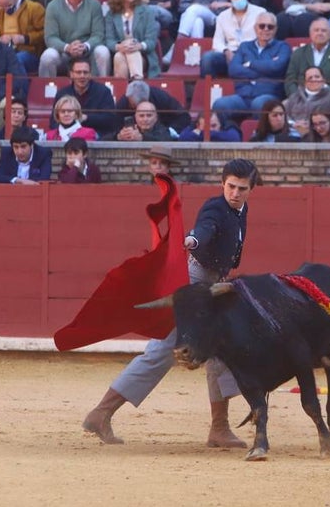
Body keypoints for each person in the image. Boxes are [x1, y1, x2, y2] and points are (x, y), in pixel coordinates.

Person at [82, 158, 261, 448]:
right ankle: (101, 413)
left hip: (212, 285)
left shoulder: (242, 210)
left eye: (242, 188)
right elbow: (204, 229)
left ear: (251, 190)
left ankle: (219, 428)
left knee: (220, 351)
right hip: (194, 285)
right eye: (230, 186)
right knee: (165, 349)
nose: (235, 193)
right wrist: (192, 240)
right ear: (222, 184)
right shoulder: (216, 207)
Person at [39, 0, 109, 78]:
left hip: (87, 52)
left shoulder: (94, 5)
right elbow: (50, 38)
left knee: (102, 52)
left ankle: (101, 88)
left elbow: (98, 35)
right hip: (64, 52)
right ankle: (46, 91)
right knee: (48, 56)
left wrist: (85, 46)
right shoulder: (53, 6)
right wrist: (67, 48)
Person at [200, 0, 264, 78]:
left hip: (252, 54)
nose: (238, 0)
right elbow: (217, 42)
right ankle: (210, 90)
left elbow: (264, 39)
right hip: (230, 53)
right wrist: (226, 51)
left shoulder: (260, 13)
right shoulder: (222, 16)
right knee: (207, 58)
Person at [104, 0, 160, 80]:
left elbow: (151, 41)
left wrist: (139, 46)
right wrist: (120, 47)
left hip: (144, 56)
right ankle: (134, 85)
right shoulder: (111, 14)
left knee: (132, 51)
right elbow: (109, 41)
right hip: (121, 53)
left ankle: (135, 83)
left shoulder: (146, 11)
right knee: (119, 56)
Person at [0, 0, 45, 74]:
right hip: (4, 50)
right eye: (1, 6)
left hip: (29, 52)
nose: (5, 9)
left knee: (15, 60)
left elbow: (45, 33)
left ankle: (21, 87)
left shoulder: (34, 8)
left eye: (8, 5)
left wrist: (24, 39)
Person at [60, 57, 117, 137]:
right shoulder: (62, 93)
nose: (82, 76)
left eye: (85, 72)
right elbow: (54, 121)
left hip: (97, 137)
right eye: (78, 72)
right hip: (68, 136)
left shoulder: (104, 91)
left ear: (90, 74)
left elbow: (110, 119)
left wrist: (86, 118)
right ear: (71, 74)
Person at [283, 66, 330, 135]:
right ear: (305, 83)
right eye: (310, 78)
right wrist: (294, 124)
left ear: (323, 79)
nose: (314, 79)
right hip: (292, 133)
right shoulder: (295, 97)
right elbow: (284, 116)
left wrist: (310, 126)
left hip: (318, 136)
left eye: (317, 76)